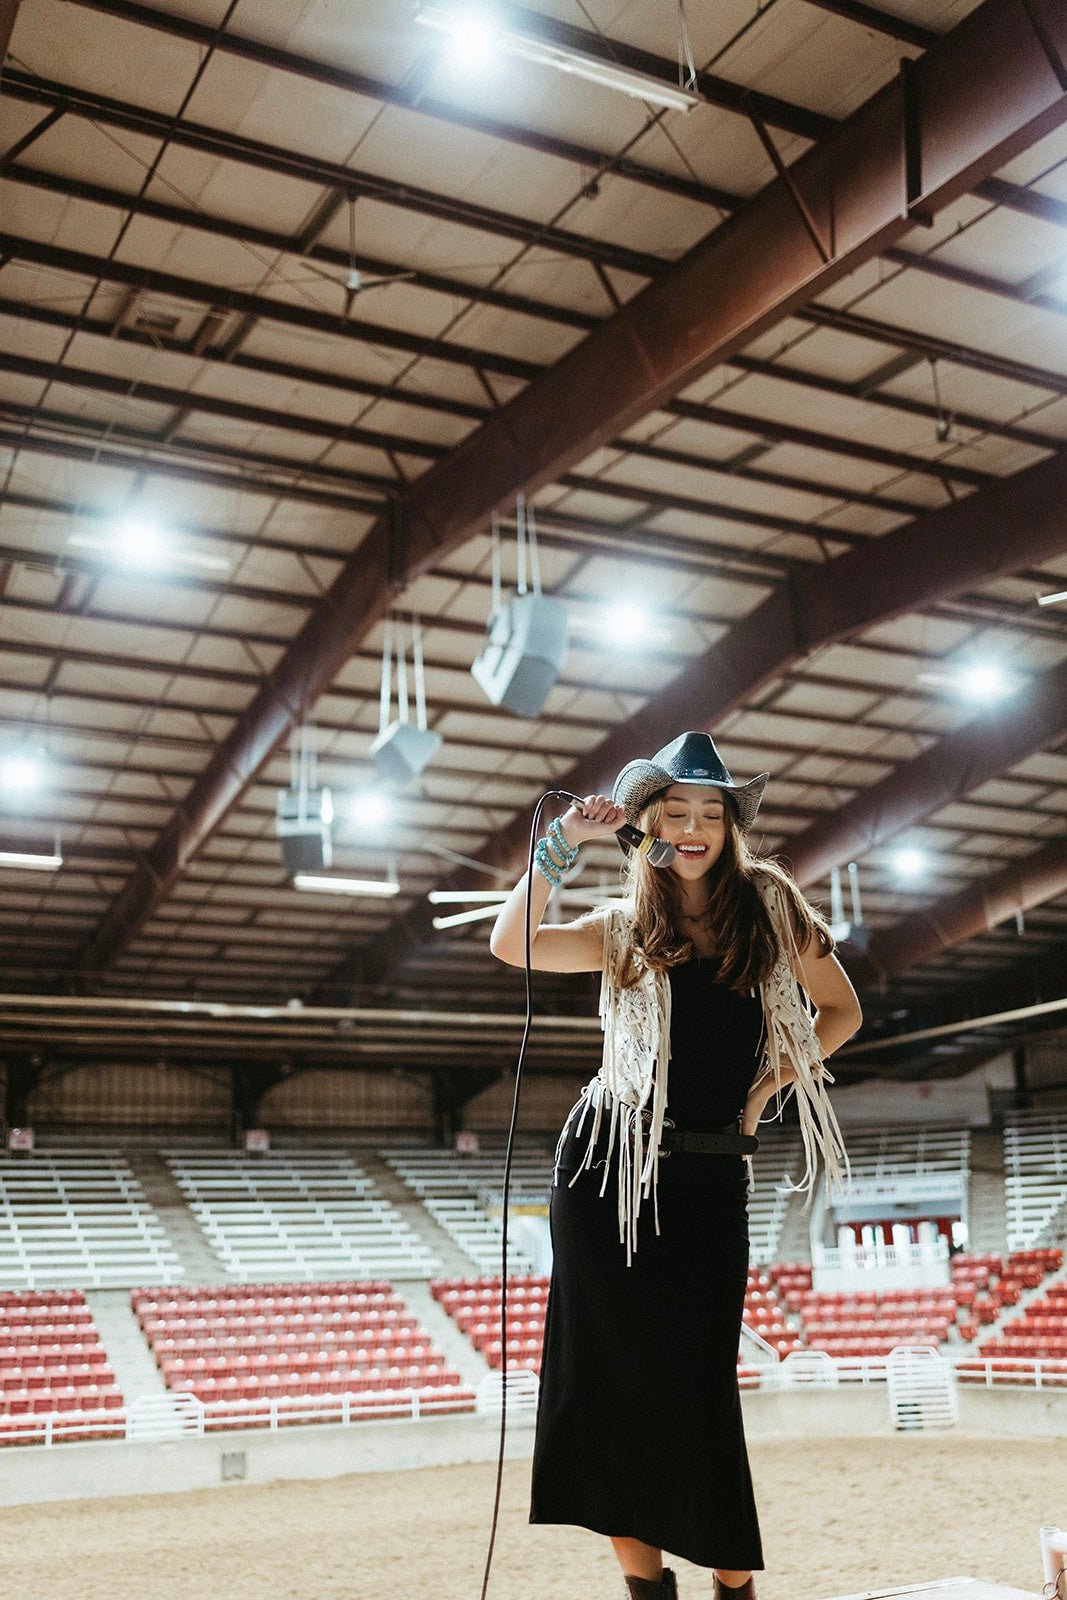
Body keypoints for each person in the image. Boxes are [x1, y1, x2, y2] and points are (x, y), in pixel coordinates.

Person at [489, 731, 862, 1600]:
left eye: (710, 814)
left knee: (697, 1390)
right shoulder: (621, 928)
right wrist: (563, 842)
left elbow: (839, 1010)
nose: (692, 829)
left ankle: (733, 1586)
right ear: (647, 827)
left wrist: (769, 1086)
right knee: (607, 1388)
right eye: (674, 813)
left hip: (709, 1180)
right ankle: (646, 1590)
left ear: (732, 828)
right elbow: (513, 943)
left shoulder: (771, 908)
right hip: (605, 1176)